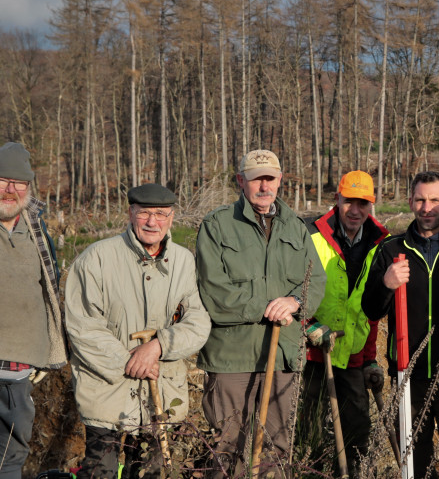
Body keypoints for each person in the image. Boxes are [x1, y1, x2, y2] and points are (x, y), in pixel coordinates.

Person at [65, 183, 211, 478]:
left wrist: (157, 347)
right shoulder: (97, 258)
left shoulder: (183, 261)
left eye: (160, 214)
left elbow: (198, 322)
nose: (152, 222)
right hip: (107, 389)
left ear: (171, 218)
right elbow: (83, 325)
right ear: (131, 213)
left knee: (150, 471)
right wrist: (130, 362)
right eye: (144, 213)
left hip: (160, 392)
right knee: (100, 470)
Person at [196, 150, 325, 479]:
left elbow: (316, 280)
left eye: (271, 178)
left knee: (276, 451)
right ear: (241, 181)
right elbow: (214, 292)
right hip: (231, 358)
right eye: (257, 178)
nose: (264, 185)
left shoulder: (296, 226)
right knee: (227, 450)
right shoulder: (217, 225)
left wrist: (295, 301)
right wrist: (268, 307)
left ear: (280, 181)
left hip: (282, 355)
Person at [363, 171, 439, 478]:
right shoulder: (391, 250)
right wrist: (387, 283)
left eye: (435, 200)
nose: (427, 208)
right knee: (414, 460)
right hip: (408, 377)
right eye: (420, 200)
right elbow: (371, 309)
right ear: (411, 202)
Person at [302, 170, 388, 475]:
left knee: (356, 437)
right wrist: (307, 326)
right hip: (312, 356)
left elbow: (371, 309)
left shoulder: (381, 243)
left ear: (371, 204)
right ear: (337, 199)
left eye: (363, 203)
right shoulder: (310, 234)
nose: (355, 210)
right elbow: (292, 289)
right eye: (349, 201)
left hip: (352, 358)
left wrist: (369, 361)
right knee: (306, 435)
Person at [0, 142, 67, 479]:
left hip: (20, 368)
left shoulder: (37, 230)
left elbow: (50, 291)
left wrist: (48, 349)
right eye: (3, 179)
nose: (10, 190)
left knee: (13, 450)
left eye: (19, 183)